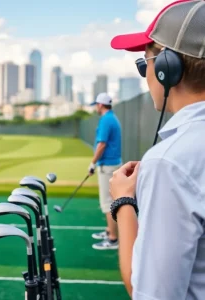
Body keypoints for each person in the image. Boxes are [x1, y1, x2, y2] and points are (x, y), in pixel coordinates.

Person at [108, 0, 205, 299]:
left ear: (167, 68)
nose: (146, 74)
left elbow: (150, 294)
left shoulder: (169, 163)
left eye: (143, 64)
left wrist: (123, 202)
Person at [88, 92, 122, 250]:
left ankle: (113, 239)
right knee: (110, 201)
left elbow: (101, 145)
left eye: (96, 104)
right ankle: (109, 231)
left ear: (101, 105)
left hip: (107, 165)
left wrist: (92, 163)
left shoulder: (106, 120)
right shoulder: (111, 118)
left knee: (108, 203)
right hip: (111, 164)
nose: (96, 107)